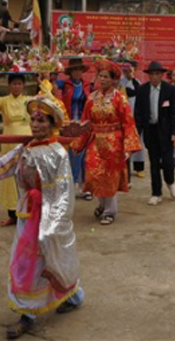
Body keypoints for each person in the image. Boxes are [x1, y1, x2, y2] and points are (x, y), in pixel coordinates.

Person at [0, 97, 83, 339]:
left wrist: (52, 227)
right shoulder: (24, 149)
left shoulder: (58, 153)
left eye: (41, 120)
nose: (35, 125)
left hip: (49, 220)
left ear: (52, 124)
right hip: (27, 217)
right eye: (33, 120)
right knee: (27, 265)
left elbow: (64, 194)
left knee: (54, 260)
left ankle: (73, 296)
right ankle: (28, 313)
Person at [71, 59, 141, 225]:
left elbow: (128, 123)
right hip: (96, 141)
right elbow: (85, 122)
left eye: (105, 76)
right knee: (95, 173)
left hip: (113, 142)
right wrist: (78, 143)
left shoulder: (120, 99)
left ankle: (110, 211)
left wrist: (129, 146)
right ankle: (102, 205)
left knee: (110, 176)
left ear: (113, 79)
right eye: (100, 76)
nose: (102, 79)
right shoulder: (92, 98)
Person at [134, 61, 175, 205]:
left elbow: (174, 113)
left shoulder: (170, 90)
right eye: (152, 74)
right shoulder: (142, 90)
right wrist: (137, 133)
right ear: (148, 75)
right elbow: (139, 113)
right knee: (154, 162)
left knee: (167, 161)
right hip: (150, 130)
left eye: (157, 74)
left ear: (162, 75)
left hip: (166, 131)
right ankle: (156, 192)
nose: (154, 77)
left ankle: (170, 181)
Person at [0, 73, 34, 227]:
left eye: (19, 84)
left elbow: (50, 99)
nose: (16, 86)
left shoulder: (29, 101)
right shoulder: (4, 101)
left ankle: (29, 211)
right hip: (9, 143)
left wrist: (44, 80)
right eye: (14, 84)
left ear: (23, 86)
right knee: (10, 179)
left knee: (27, 176)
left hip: (27, 142)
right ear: (9, 86)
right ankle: (12, 214)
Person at [57, 58, 92, 199]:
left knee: (85, 156)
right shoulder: (64, 85)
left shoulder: (87, 85)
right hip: (70, 124)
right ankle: (73, 185)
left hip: (84, 124)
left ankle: (85, 186)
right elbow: (49, 85)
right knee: (73, 154)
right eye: (74, 69)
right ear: (70, 72)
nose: (77, 72)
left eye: (79, 69)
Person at [119, 63, 147, 177]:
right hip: (124, 115)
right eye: (126, 70)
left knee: (139, 141)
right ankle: (124, 168)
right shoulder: (120, 82)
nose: (128, 72)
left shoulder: (137, 83)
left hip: (136, 116)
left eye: (130, 70)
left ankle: (139, 167)